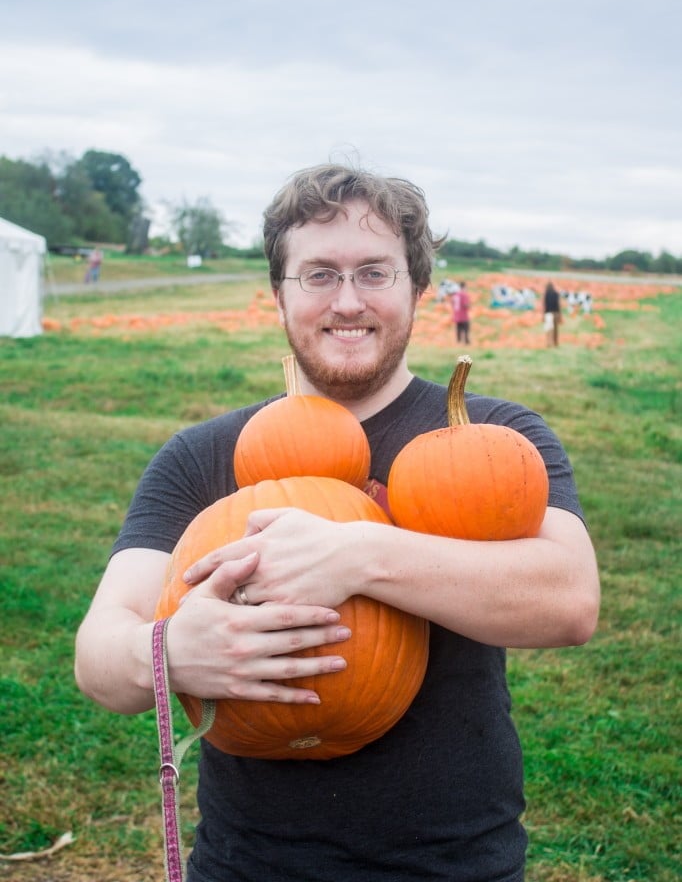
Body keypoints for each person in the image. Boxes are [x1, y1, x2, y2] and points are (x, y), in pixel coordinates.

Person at [75, 164, 600, 882]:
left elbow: (568, 602)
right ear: (278, 296)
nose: (347, 301)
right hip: (247, 865)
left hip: (453, 865)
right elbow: (99, 655)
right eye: (318, 274)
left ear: (418, 289)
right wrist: (164, 653)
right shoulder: (202, 457)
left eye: (374, 273)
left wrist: (359, 555)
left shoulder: (492, 435)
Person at [449, 280, 471, 344]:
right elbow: (465, 305)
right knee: (466, 329)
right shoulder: (464, 295)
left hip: (457, 315)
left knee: (458, 329)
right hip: (463, 316)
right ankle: (466, 342)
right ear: (464, 287)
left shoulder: (455, 295)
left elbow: (452, 303)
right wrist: (469, 306)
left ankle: (458, 341)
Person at [543, 282, 562, 347]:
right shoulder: (556, 294)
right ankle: (555, 343)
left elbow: (545, 305)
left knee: (549, 328)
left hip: (548, 313)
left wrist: (543, 315)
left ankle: (549, 343)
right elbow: (558, 305)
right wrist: (560, 314)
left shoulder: (546, 294)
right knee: (555, 329)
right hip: (555, 313)